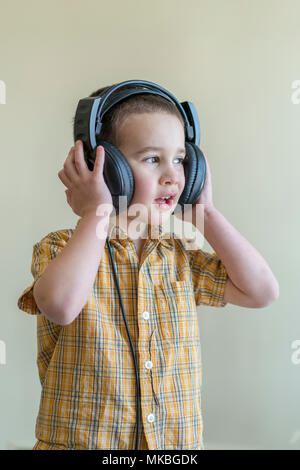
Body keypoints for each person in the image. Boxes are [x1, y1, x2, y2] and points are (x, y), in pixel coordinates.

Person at [17, 84, 279, 450]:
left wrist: (206, 215)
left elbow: (262, 291)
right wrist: (97, 211)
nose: (173, 175)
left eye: (181, 160)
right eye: (153, 159)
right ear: (108, 170)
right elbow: (61, 306)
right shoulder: (60, 247)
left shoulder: (179, 256)